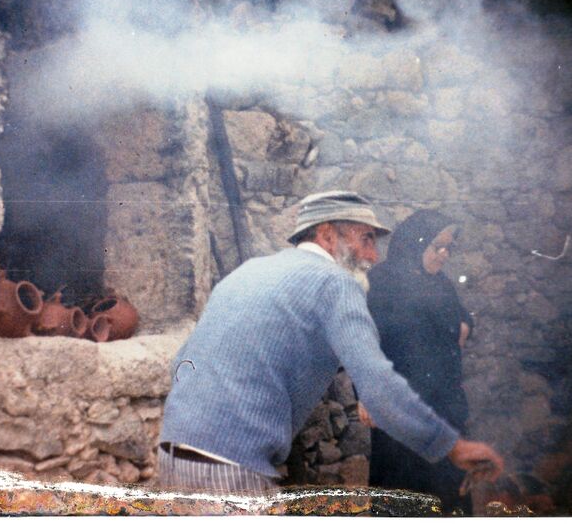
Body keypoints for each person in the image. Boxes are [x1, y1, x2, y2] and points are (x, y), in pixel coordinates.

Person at [157, 191, 503, 496]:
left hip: (175, 449)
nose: (373, 256)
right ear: (326, 235)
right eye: (365, 239)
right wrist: (451, 446)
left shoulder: (251, 270)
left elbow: (182, 362)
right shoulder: (334, 282)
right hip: (230, 465)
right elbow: (380, 387)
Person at [365, 209, 476, 514]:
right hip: (401, 410)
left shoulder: (440, 283)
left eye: (448, 248)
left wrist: (464, 323)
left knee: (448, 494)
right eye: (437, 246)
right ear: (416, 242)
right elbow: (365, 341)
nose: (444, 255)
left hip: (443, 408)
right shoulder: (381, 282)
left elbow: (461, 318)